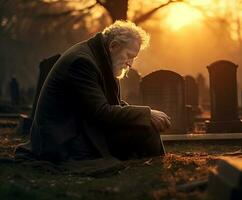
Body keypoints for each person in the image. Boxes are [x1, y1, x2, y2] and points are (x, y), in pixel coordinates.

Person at [29, 20, 171, 162]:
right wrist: (147, 113)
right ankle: (157, 169)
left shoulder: (100, 58)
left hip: (84, 129)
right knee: (145, 128)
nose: (130, 63)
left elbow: (106, 103)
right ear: (113, 46)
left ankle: (156, 166)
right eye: (129, 56)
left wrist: (142, 115)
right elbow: (101, 112)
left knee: (144, 125)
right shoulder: (82, 62)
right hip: (64, 141)